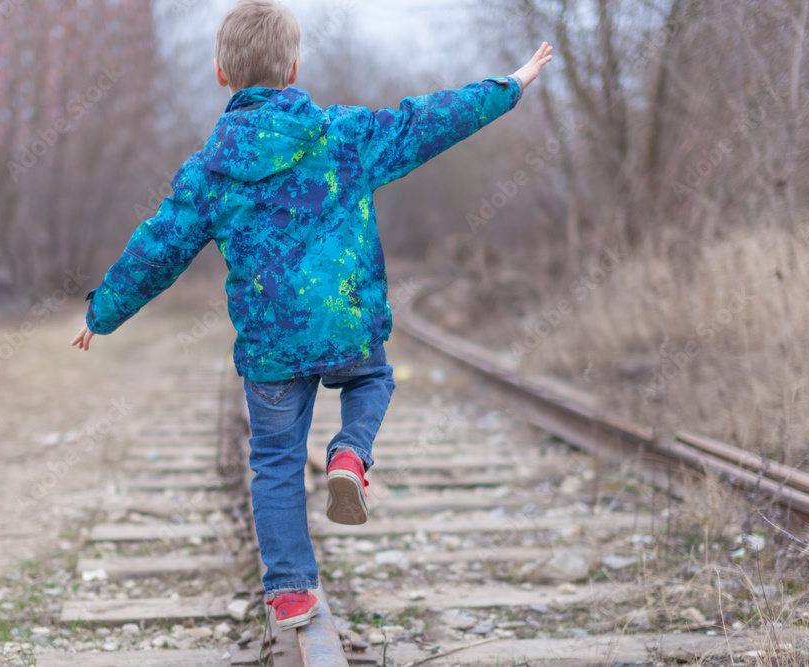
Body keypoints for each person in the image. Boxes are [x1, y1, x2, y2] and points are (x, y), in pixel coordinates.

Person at [70, 0, 552, 631]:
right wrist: (510, 85)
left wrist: (102, 313)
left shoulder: (209, 170)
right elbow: (430, 120)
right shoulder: (344, 135)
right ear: (294, 68)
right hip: (347, 323)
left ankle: (292, 591)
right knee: (373, 378)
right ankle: (350, 453)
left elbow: (155, 250)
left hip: (272, 346)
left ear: (221, 72)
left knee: (275, 461)